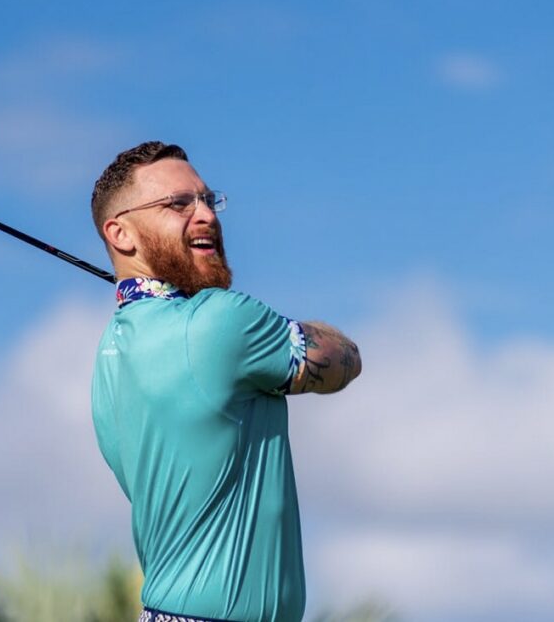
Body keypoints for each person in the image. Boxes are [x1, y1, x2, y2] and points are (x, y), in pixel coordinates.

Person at [90, 142, 361, 622]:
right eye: (178, 204)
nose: (206, 215)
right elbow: (346, 361)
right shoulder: (222, 320)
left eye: (208, 199)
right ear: (121, 234)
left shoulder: (111, 351)